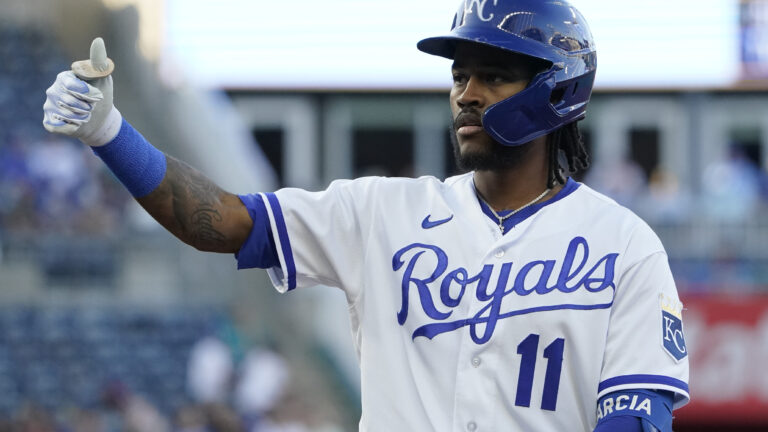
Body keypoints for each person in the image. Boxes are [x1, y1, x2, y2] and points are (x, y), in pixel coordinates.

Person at [42, 1, 689, 430]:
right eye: (460, 75)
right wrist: (110, 132)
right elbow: (219, 220)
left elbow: (635, 420)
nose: (466, 93)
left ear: (557, 88)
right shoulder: (383, 211)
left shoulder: (624, 246)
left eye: (494, 75)